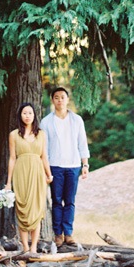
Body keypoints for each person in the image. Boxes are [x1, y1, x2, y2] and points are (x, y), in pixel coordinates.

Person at [40, 86, 90, 247]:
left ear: (67, 100)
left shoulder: (77, 120)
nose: (60, 100)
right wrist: (45, 169)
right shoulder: (46, 122)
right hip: (55, 166)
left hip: (73, 165)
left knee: (70, 201)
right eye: (56, 97)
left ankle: (68, 233)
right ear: (52, 100)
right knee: (56, 201)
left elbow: (82, 142)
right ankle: (58, 234)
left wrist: (85, 164)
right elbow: (44, 148)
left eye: (62, 97)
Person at [5, 102, 53, 254]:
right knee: (22, 209)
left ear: (34, 115)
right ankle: (25, 246)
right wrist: (8, 182)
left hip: (38, 174)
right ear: (20, 115)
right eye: (24, 113)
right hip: (21, 173)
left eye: (30, 113)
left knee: (37, 209)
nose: (27, 116)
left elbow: (44, 156)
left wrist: (49, 174)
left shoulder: (41, 134)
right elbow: (12, 158)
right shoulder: (14, 135)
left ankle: (34, 247)